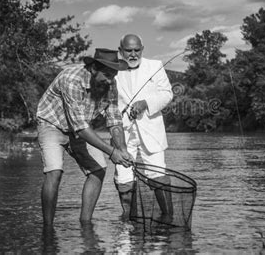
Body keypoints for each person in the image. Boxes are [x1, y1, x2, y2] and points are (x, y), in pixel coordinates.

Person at [36, 48, 134, 226]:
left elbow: (114, 119)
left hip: (80, 127)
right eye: (106, 74)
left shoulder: (110, 84)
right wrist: (112, 152)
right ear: (93, 69)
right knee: (54, 172)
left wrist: (122, 149)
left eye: (113, 75)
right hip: (52, 125)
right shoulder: (71, 79)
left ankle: (85, 224)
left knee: (98, 170)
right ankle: (48, 228)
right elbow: (80, 127)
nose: (110, 80)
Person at [114, 34, 174, 221]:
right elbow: (107, 102)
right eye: (128, 50)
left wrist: (145, 103)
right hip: (123, 132)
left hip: (151, 130)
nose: (133, 54)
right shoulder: (113, 70)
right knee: (123, 179)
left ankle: (168, 218)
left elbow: (167, 94)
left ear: (142, 49)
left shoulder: (155, 66)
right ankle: (128, 221)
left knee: (158, 174)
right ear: (120, 50)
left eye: (136, 50)